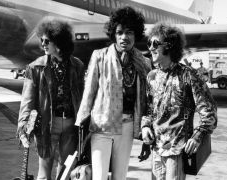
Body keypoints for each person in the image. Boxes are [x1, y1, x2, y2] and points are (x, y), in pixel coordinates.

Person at [75, 6, 151, 180]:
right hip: (102, 126)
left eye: (129, 32)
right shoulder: (99, 56)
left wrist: (146, 130)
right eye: (120, 32)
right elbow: (89, 93)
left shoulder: (144, 63)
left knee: (120, 176)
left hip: (128, 127)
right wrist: (81, 126)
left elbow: (147, 101)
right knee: (99, 176)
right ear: (114, 35)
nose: (124, 37)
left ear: (136, 35)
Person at [141, 23, 218, 180]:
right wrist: (145, 127)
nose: (150, 48)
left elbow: (209, 111)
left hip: (177, 150)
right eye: (149, 43)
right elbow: (148, 109)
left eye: (155, 44)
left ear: (169, 46)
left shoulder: (188, 75)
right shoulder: (152, 77)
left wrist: (198, 135)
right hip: (156, 148)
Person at [17, 17, 85, 180]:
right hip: (48, 124)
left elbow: (83, 97)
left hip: (70, 125)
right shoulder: (36, 67)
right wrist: (23, 126)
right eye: (42, 40)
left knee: (66, 172)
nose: (43, 44)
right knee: (43, 174)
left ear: (59, 42)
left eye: (47, 41)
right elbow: (27, 100)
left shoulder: (77, 66)